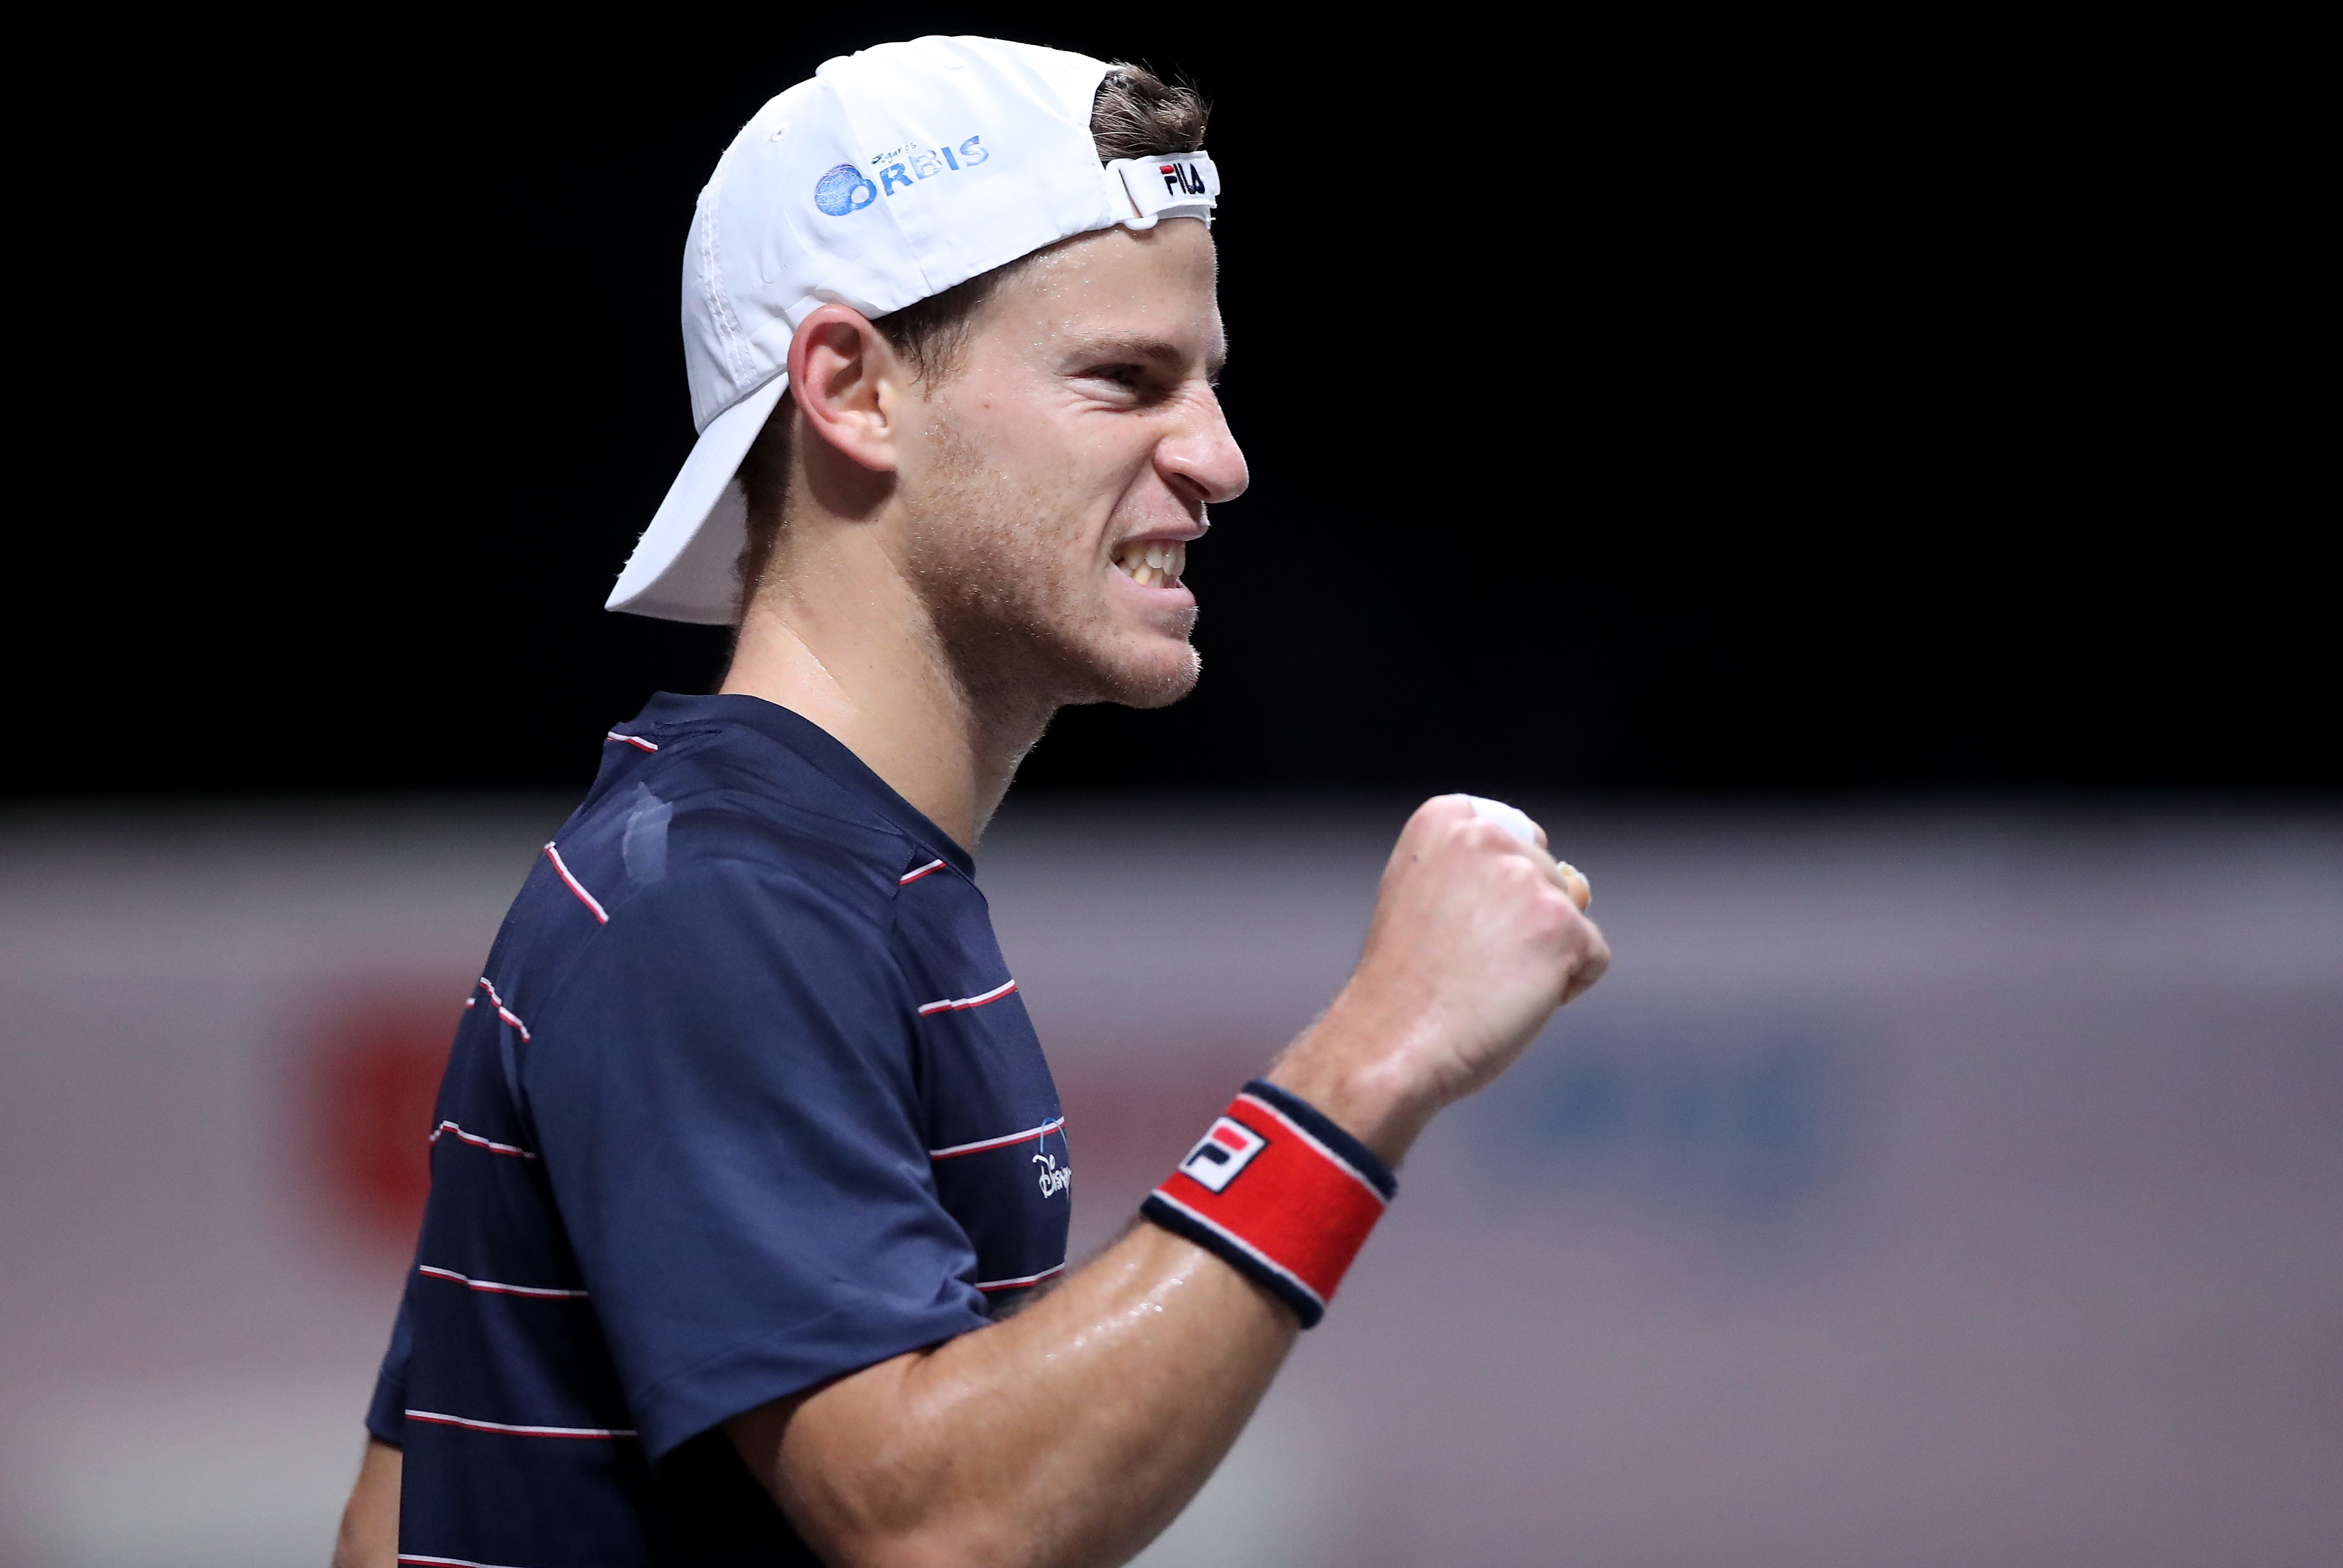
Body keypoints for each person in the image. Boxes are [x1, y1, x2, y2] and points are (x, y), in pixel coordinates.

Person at [334, 35, 1606, 1568]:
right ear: (854, 391)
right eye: (1125, 379)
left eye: (1205, 382)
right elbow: (940, 1525)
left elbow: (398, 1516)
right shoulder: (722, 899)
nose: (1219, 459)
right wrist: (1374, 1053)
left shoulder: (792, 874)